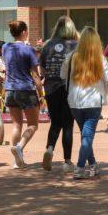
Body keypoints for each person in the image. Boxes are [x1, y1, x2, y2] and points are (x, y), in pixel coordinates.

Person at [62, 27, 108, 179]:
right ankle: (79, 167)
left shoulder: (71, 56)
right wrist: (103, 92)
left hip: (75, 102)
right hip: (93, 101)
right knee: (87, 136)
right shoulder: (100, 58)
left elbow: (62, 75)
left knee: (86, 135)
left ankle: (93, 164)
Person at [40, 17, 79, 172]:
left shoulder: (47, 45)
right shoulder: (75, 45)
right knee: (68, 124)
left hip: (51, 88)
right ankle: (67, 161)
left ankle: (49, 149)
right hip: (69, 88)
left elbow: (42, 71)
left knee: (55, 122)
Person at [2, 20, 42, 168]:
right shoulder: (29, 50)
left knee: (16, 124)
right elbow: (36, 75)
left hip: (10, 89)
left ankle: (16, 160)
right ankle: (19, 147)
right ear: (24, 32)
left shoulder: (6, 47)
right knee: (33, 125)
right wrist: (41, 94)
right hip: (26, 89)